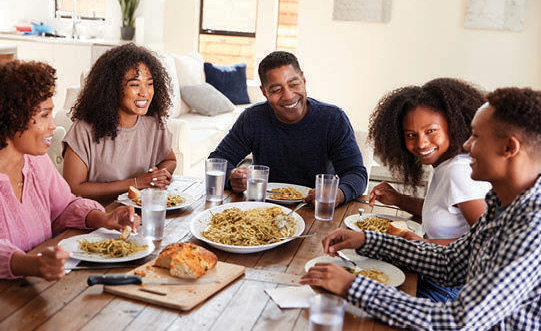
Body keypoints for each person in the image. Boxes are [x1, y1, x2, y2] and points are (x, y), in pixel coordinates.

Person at [300, 87, 541, 330]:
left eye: (476, 136)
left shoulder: (532, 229)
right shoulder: (502, 205)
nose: (467, 145)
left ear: (509, 148)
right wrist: (367, 240)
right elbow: (449, 263)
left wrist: (352, 286)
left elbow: (456, 322)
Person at [0, 60, 140, 283]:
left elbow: (64, 207)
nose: (53, 125)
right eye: (44, 115)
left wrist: (103, 218)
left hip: (35, 289)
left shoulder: (35, 161)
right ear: (10, 117)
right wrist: (34, 264)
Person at [209, 51, 367, 205]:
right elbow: (218, 160)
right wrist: (231, 177)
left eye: (294, 84)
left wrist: (338, 193)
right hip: (264, 208)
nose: (288, 95)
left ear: (303, 80)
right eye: (277, 90)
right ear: (264, 93)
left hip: (315, 209)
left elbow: (356, 173)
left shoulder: (333, 119)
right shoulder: (253, 118)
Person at [368, 78, 491, 246]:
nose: (421, 143)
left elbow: (488, 240)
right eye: (411, 135)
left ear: (454, 125)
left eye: (430, 131)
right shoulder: (445, 164)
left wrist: (423, 243)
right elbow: (444, 213)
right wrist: (398, 199)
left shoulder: (458, 171)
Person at [63, 43, 176, 203]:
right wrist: (136, 183)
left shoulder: (153, 124)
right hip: (97, 217)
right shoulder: (84, 130)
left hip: (140, 212)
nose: (144, 93)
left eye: (149, 84)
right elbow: (74, 188)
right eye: (135, 85)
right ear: (112, 88)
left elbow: (169, 160)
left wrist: (158, 176)